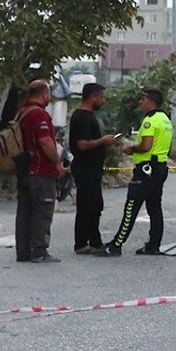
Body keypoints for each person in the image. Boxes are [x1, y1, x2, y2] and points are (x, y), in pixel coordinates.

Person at [98, 88, 172, 256]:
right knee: (154, 207)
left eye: (143, 99)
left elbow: (146, 146)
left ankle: (116, 244)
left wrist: (132, 149)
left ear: (151, 101)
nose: (140, 102)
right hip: (160, 167)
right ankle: (154, 245)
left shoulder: (150, 121)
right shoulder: (165, 119)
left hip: (146, 169)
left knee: (131, 206)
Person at [16, 79, 66, 263]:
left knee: (25, 211)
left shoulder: (22, 112)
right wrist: (57, 163)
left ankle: (23, 251)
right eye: (49, 94)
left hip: (25, 170)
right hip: (40, 170)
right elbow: (45, 142)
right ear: (44, 93)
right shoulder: (39, 115)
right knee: (43, 211)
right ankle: (39, 251)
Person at [68, 83, 118, 254]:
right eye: (101, 97)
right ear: (93, 96)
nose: (103, 101)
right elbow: (82, 145)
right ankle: (81, 243)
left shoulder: (88, 116)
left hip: (93, 168)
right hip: (85, 169)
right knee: (87, 206)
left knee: (95, 205)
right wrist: (102, 141)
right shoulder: (81, 117)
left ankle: (94, 241)